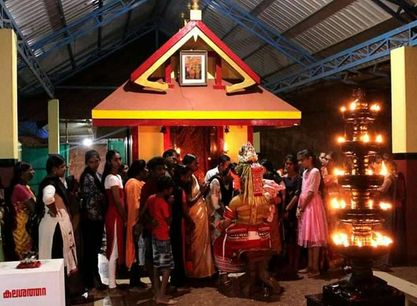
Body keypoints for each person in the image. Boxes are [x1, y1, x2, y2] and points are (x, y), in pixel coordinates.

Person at [296, 149, 328, 278]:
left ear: (310, 159)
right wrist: (299, 206)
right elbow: (303, 191)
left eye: (302, 160)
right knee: (308, 237)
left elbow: (311, 192)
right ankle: (310, 265)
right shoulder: (305, 172)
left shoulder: (315, 172)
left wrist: (302, 207)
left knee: (314, 236)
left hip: (312, 205)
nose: (301, 162)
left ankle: (315, 267)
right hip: (305, 204)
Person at [183, 153, 216, 278]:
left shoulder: (193, 176)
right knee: (196, 243)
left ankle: (204, 271)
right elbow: (189, 200)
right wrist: (201, 192)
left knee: (203, 243)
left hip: (200, 212)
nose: (197, 165)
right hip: (194, 213)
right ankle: (196, 272)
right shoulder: (187, 178)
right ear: (188, 164)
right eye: (195, 163)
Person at [79, 150, 107, 293]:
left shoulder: (97, 175)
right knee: (90, 251)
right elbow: (94, 196)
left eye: (97, 161)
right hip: (90, 219)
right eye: (92, 161)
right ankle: (91, 282)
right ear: (87, 162)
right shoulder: (87, 177)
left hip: (97, 218)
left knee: (94, 251)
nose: (95, 164)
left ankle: (96, 280)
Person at [147, 176, 177, 305]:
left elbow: (144, 212)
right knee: (166, 268)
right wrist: (170, 205)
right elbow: (169, 220)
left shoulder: (151, 198)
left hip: (154, 234)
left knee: (156, 266)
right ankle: (161, 295)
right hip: (163, 235)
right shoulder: (163, 203)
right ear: (166, 190)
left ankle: (156, 293)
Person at [102, 150, 126, 296]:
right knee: (114, 247)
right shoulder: (111, 178)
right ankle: (111, 283)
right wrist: (125, 217)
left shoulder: (117, 177)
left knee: (116, 247)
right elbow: (117, 201)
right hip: (115, 216)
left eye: (120, 159)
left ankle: (113, 281)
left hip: (116, 214)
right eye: (116, 159)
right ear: (110, 161)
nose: (119, 162)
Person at [124, 159, 148, 288]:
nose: (147, 171)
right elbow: (135, 205)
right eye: (145, 168)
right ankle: (134, 281)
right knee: (136, 251)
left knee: (139, 251)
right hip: (135, 221)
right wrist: (137, 222)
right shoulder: (133, 183)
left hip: (138, 221)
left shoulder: (139, 183)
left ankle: (137, 279)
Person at [9, 162, 36, 259]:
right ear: (22, 173)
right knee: (24, 254)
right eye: (30, 170)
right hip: (21, 226)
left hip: (26, 224)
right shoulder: (19, 188)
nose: (33, 172)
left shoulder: (25, 187)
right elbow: (33, 207)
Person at [282, 155, 302, 279]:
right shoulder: (283, 179)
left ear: (294, 165)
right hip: (285, 210)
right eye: (286, 164)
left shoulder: (298, 178)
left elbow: (297, 194)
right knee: (288, 238)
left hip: (294, 209)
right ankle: (290, 263)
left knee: (296, 237)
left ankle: (296, 263)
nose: (287, 166)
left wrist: (288, 208)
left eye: (290, 164)